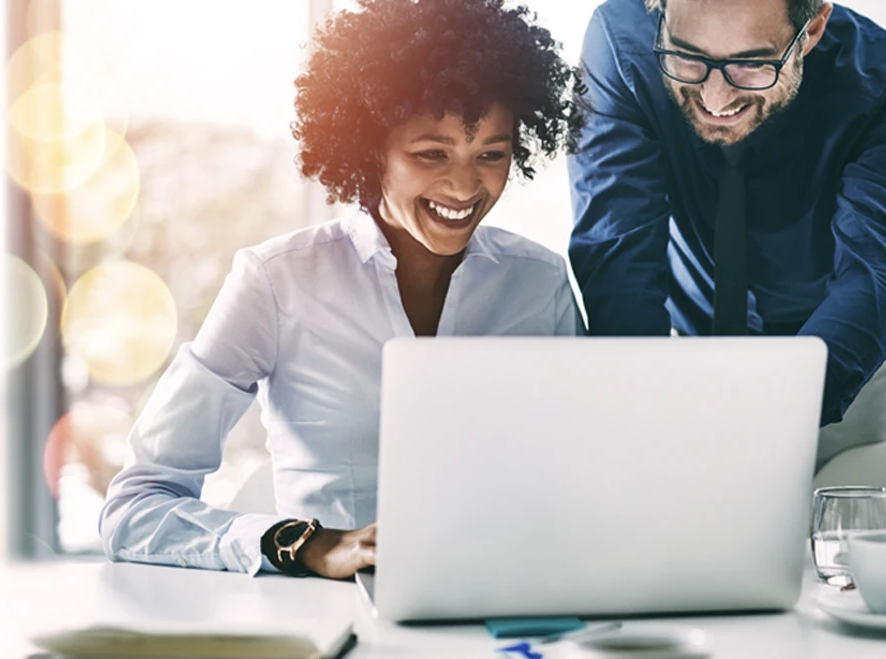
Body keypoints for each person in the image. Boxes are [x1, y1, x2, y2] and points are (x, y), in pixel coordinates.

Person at [99, 0, 584, 579]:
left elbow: (579, 481)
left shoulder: (541, 283)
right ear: (369, 145)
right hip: (334, 622)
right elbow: (134, 509)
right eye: (432, 154)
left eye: (491, 155)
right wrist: (306, 544)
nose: (464, 185)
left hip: (505, 606)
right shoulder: (277, 282)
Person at [569, 0, 886, 465]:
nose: (716, 99)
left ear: (814, 26)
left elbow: (874, 278)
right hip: (682, 359)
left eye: (752, 64)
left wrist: (761, 418)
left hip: (842, 371)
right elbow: (617, 252)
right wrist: (646, 410)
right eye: (688, 56)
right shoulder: (621, 43)